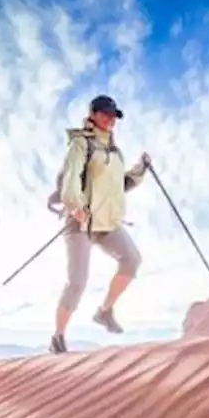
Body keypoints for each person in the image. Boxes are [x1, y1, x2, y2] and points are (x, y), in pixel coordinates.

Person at [49, 94, 151, 354]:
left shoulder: (116, 153)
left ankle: (104, 312)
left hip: (106, 222)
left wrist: (141, 168)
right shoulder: (80, 144)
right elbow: (71, 178)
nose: (110, 120)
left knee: (132, 259)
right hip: (79, 221)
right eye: (105, 114)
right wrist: (75, 206)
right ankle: (57, 338)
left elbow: (121, 185)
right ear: (93, 114)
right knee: (78, 282)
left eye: (113, 116)